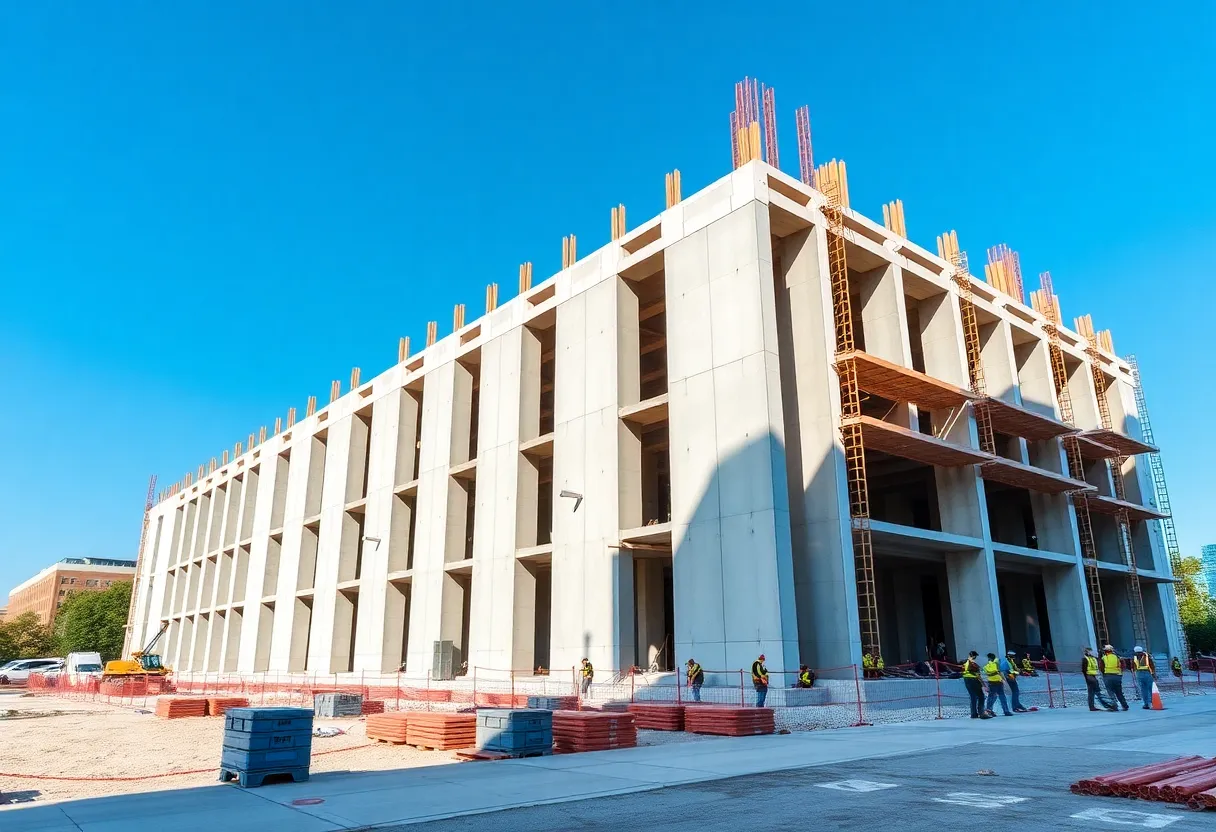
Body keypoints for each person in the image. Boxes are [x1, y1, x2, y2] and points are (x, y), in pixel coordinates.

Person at [1083, 647, 1117, 711]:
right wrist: (1087, 679)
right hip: (1090, 677)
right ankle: (1107, 705)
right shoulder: (1086, 659)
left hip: (1095, 676)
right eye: (1090, 651)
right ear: (1087, 652)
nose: (1092, 653)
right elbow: (1084, 670)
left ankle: (1092, 706)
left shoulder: (1093, 658)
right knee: (1096, 692)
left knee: (1092, 692)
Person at [961, 651, 988, 719]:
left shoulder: (965, 662)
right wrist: (984, 685)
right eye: (975, 656)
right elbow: (978, 675)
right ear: (973, 656)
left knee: (973, 697)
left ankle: (973, 714)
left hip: (966, 680)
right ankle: (982, 713)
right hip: (973, 680)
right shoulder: (973, 663)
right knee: (981, 696)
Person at [1101, 645, 1129, 711]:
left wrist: (1104, 674)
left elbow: (1101, 667)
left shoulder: (1104, 658)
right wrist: (1120, 673)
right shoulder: (1118, 657)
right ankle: (1125, 705)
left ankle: (1114, 706)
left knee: (1110, 692)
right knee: (1119, 692)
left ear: (1106, 651)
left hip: (1107, 676)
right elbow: (1123, 666)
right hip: (1117, 676)